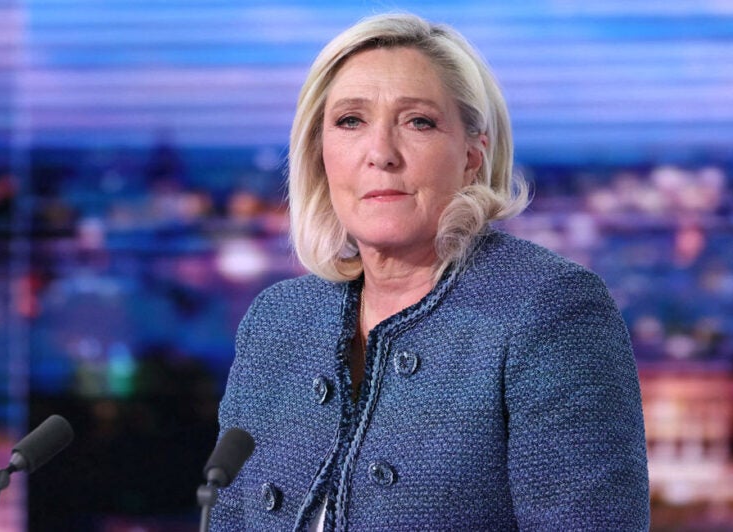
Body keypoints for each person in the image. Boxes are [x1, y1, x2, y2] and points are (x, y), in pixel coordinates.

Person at [211, 13, 649, 531]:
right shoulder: (277, 322)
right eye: (350, 121)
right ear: (319, 153)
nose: (380, 154)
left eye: (418, 121)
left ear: (473, 154)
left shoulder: (550, 310)